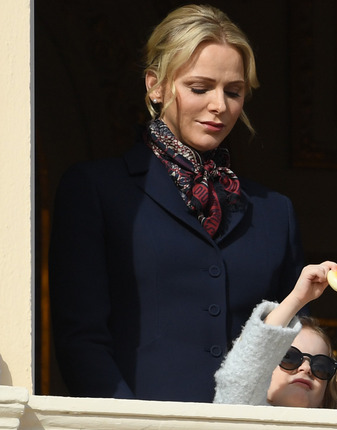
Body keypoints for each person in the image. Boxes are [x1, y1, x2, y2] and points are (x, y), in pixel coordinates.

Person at [49, 4, 304, 402]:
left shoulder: (275, 212)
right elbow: (81, 339)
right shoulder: (96, 189)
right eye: (200, 88)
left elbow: (292, 347)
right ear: (156, 85)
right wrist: (127, 425)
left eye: (233, 92)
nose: (219, 105)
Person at [214, 262, 337, 409]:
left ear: (326, 396)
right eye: (289, 357)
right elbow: (243, 375)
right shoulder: (241, 409)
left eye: (321, 366)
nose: (306, 368)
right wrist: (297, 298)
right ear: (264, 364)